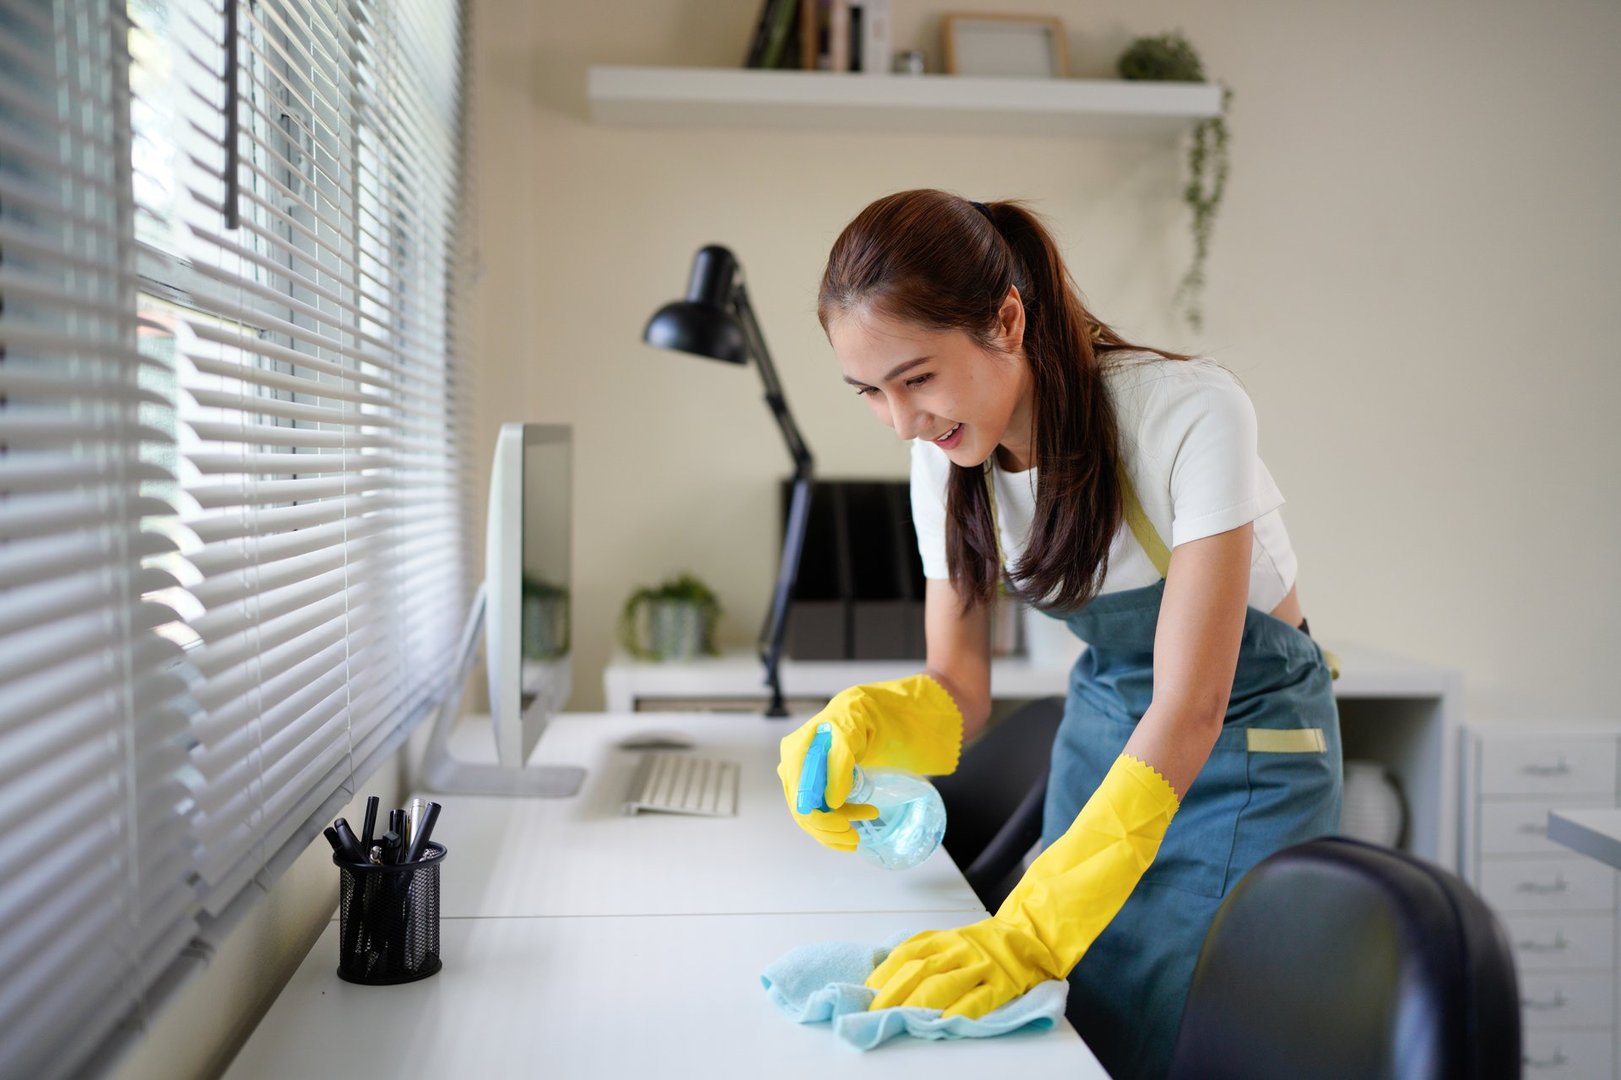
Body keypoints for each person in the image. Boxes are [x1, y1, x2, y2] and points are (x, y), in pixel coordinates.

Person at [776, 189, 1343, 1080]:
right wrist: (863, 725)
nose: (902, 421)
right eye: (871, 393)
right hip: (1114, 721)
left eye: (917, 377)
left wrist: (1036, 924)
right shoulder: (942, 459)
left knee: (1182, 1019)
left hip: (1243, 743)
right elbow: (957, 689)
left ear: (1006, 318)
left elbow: (1191, 708)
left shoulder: (1186, 414)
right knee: (1069, 1018)